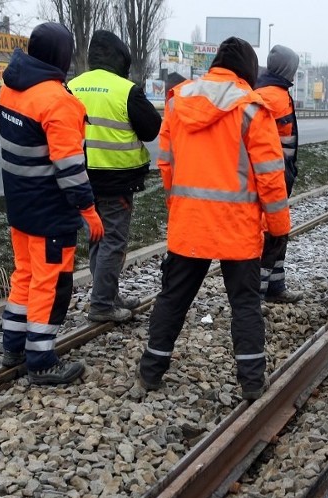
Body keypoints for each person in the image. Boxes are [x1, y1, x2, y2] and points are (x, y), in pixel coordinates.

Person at [137, 37, 290, 399]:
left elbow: (166, 162)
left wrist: (179, 206)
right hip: (237, 229)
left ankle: (150, 373)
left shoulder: (180, 101)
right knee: (245, 305)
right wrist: (279, 228)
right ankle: (252, 382)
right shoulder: (253, 108)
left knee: (173, 298)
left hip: (190, 224)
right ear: (249, 71)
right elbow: (270, 176)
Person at [0, 22, 104, 385]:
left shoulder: (11, 88)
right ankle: (41, 360)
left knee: (24, 274)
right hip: (49, 212)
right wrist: (89, 212)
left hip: (20, 206)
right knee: (48, 282)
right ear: (62, 55)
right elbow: (71, 170)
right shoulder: (58, 101)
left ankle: (12, 345)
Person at [69, 30, 162, 323]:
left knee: (97, 239)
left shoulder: (71, 86)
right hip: (115, 180)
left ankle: (107, 295)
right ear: (120, 58)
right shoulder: (125, 89)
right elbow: (151, 128)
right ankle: (101, 305)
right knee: (112, 242)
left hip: (79, 178)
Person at [255, 45, 302, 304]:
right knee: (273, 231)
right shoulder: (275, 97)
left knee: (278, 231)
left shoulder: (267, 91)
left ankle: (275, 284)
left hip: (277, 172)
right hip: (275, 175)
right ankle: (259, 292)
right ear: (287, 68)